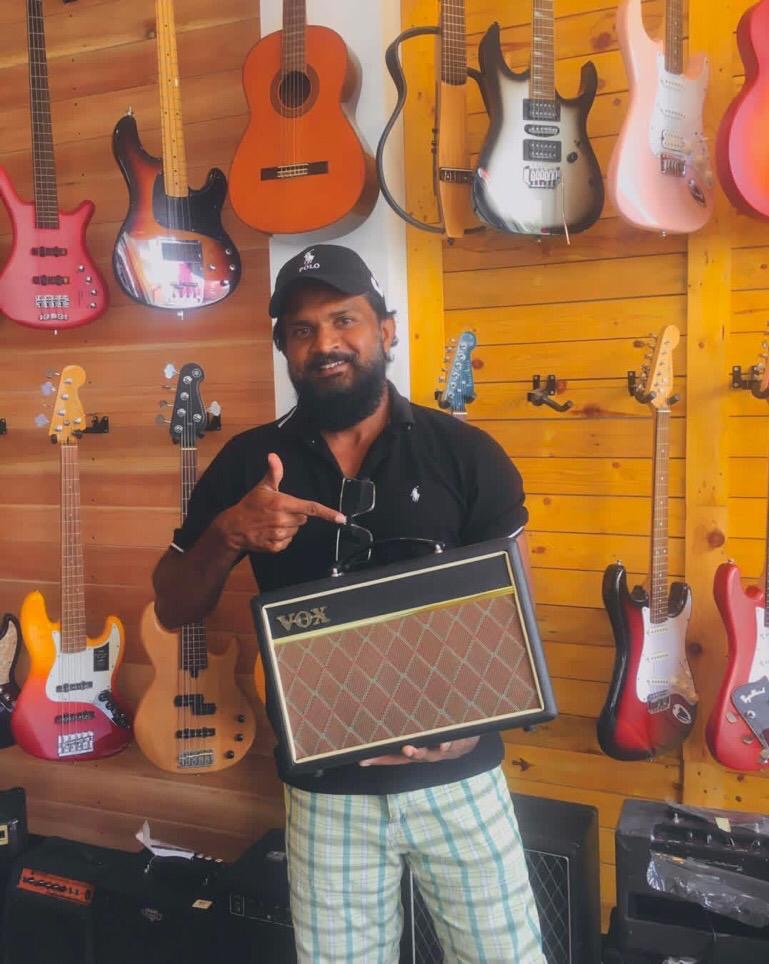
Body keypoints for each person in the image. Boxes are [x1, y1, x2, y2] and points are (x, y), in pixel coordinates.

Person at [153, 244, 546, 963]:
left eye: (344, 320)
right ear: (283, 346)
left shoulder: (466, 453)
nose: (325, 343)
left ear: (386, 329)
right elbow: (174, 606)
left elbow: (515, 613)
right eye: (302, 329)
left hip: (460, 780)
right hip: (325, 792)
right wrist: (229, 531)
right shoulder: (247, 464)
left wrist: (475, 724)